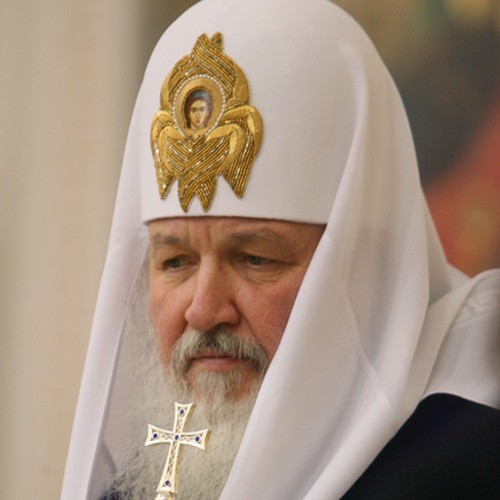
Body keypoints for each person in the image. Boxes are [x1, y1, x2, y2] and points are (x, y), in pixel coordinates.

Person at [62, 0, 500, 498]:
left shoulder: (469, 459)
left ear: (364, 268)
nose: (202, 310)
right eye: (176, 262)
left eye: (255, 259)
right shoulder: (140, 487)